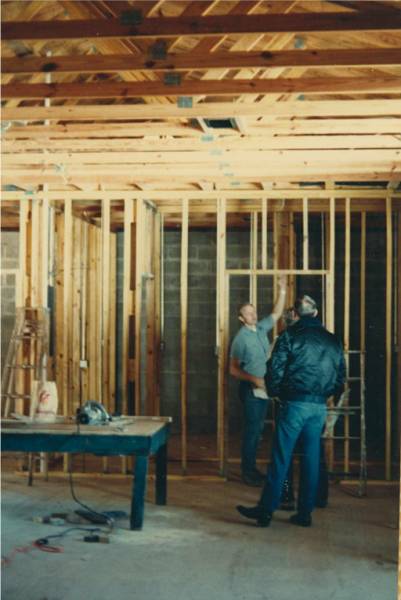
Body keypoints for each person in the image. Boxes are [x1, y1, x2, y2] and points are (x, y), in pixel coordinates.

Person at [236, 294, 346, 526]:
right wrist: (324, 396)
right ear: (316, 313)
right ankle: (305, 514)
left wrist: (277, 394)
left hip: (294, 405)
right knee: (312, 459)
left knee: (281, 457)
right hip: (318, 407)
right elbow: (340, 378)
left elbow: (274, 371)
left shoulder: (289, 336)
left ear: (295, 314)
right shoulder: (333, 340)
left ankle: (266, 510)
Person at [229, 275, 287, 486]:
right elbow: (233, 370)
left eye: (253, 312)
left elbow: (276, 313)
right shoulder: (240, 339)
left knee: (259, 431)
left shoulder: (261, 328)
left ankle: (252, 469)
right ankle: (248, 472)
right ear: (241, 318)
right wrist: (254, 379)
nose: (253, 315)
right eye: (248, 313)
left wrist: (282, 290)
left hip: (264, 388)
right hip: (251, 390)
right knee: (253, 432)